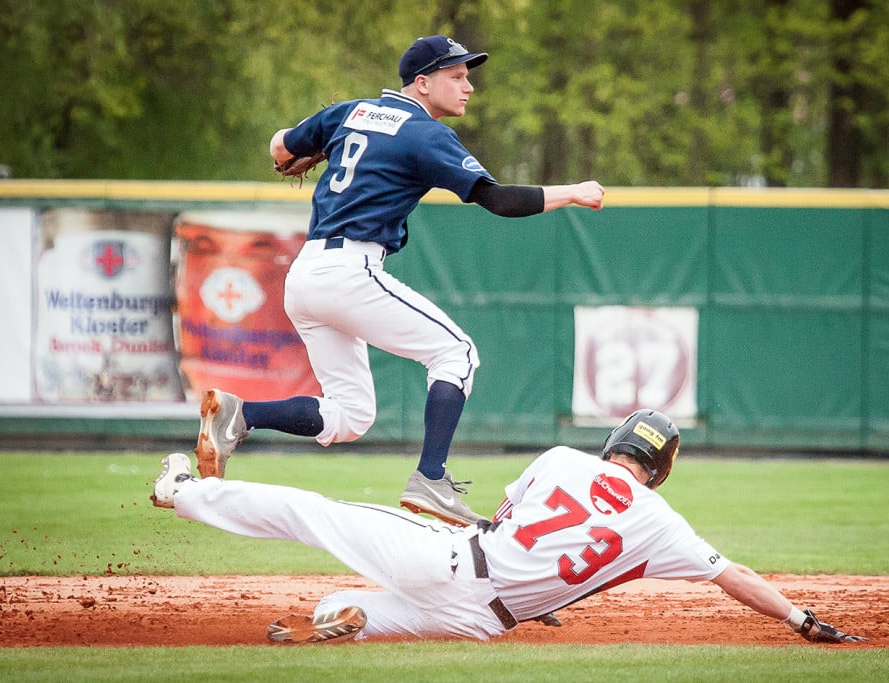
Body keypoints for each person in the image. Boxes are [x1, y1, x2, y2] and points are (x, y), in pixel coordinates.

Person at [192, 34, 605, 527]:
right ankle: (431, 479)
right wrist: (574, 192)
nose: (468, 86)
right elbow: (499, 201)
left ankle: (241, 415)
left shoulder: (350, 113)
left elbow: (281, 146)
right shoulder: (425, 134)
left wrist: (298, 156)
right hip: (350, 270)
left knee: (350, 417)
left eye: (467, 75)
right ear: (423, 83)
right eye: (457, 76)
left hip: (304, 277)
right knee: (457, 354)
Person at [154, 408, 867, 645]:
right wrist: (802, 618)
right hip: (488, 619)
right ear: (663, 466)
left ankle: (182, 490)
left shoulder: (560, 457)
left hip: (463, 563)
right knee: (346, 609)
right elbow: (732, 575)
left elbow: (508, 522)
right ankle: (339, 617)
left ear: (616, 441)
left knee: (317, 513)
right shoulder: (662, 522)